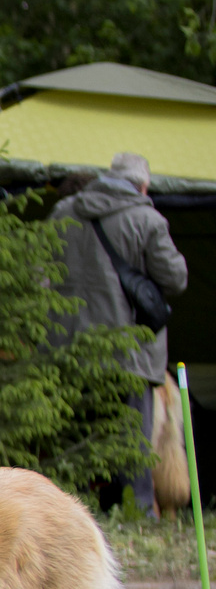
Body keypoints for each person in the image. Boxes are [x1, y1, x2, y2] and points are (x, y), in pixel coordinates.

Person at [54, 151, 188, 518]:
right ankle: (137, 513)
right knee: (134, 438)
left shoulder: (64, 212)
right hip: (131, 351)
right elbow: (176, 278)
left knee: (78, 434)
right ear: (143, 185)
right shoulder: (148, 220)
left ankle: (76, 512)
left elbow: (42, 272)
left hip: (72, 348)